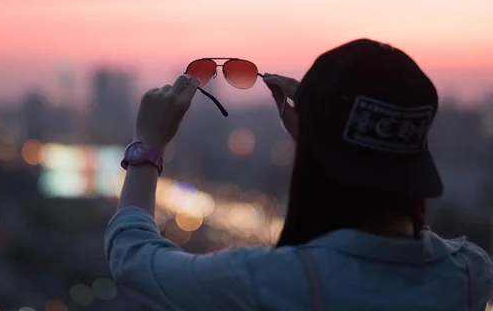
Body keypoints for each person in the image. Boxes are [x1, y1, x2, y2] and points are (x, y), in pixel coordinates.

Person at [104, 39, 493, 310]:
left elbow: (133, 257)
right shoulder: (469, 273)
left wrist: (148, 145)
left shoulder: (271, 280)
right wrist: (320, 144)